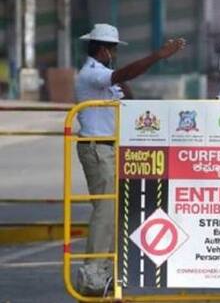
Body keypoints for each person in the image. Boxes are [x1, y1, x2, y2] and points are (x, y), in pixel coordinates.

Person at [74, 24, 186, 295]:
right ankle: (93, 270)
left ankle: (107, 269)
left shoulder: (106, 76)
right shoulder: (91, 74)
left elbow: (129, 97)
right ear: (103, 50)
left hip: (110, 148)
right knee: (105, 210)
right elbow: (122, 74)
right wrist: (158, 55)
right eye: (112, 49)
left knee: (115, 210)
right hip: (97, 148)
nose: (114, 54)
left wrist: (121, 79)